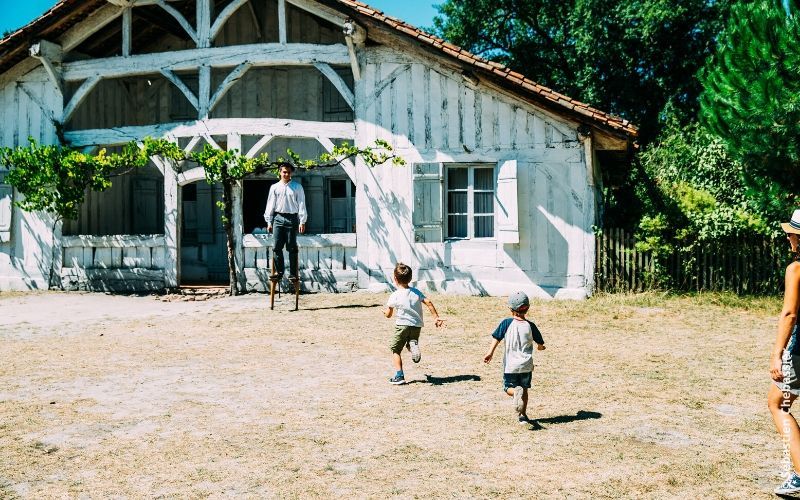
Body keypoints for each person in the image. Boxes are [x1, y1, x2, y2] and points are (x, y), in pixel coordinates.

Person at [770, 209, 800, 495]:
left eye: (792, 232)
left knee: (778, 403)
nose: (788, 236)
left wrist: (777, 353)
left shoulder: (797, 269)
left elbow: (790, 314)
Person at [483, 291, 546, 424]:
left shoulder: (506, 323)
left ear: (510, 309)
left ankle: (514, 393)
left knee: (508, 388)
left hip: (510, 366)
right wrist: (540, 347)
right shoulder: (531, 325)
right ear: (527, 308)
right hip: (526, 366)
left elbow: (497, 338)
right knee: (524, 390)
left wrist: (490, 353)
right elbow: (540, 343)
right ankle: (522, 416)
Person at [383, 263, 445, 385]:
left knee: (396, 350)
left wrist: (385, 313)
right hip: (416, 325)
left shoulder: (394, 295)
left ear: (395, 279)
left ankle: (399, 376)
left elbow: (389, 315)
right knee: (411, 342)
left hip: (402, 325)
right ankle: (412, 346)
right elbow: (428, 302)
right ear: (410, 279)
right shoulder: (416, 292)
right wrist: (436, 318)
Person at [263, 162, 307, 278]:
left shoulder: (297, 187)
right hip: (278, 218)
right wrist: (269, 221)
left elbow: (302, 204)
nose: (286, 174)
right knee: (276, 246)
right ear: (280, 172)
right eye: (284, 172)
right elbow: (270, 205)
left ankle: (293, 274)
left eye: (288, 172)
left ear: (291, 173)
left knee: (291, 247)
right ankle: (279, 272)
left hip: (292, 218)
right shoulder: (274, 187)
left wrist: (302, 221)